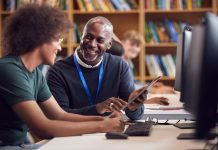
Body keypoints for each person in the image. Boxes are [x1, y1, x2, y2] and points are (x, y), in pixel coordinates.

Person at [0, 5, 124, 149]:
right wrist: (102, 126)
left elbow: (60, 115)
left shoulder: (35, 74)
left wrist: (104, 119)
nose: (59, 47)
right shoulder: (8, 69)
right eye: (57, 39)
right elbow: (42, 128)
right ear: (39, 38)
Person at [47, 16, 148, 120]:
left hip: (108, 131)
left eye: (100, 40)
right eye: (89, 37)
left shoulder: (119, 66)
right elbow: (59, 115)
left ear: (109, 45)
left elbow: (136, 116)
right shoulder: (57, 71)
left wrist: (133, 107)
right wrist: (97, 108)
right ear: (81, 36)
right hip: (73, 133)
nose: (92, 44)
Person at [121, 30, 174, 94]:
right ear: (122, 43)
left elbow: (132, 82)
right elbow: (126, 86)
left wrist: (149, 85)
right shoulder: (118, 62)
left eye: (137, 46)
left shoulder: (128, 62)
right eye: (132, 44)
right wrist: (153, 90)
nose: (134, 48)